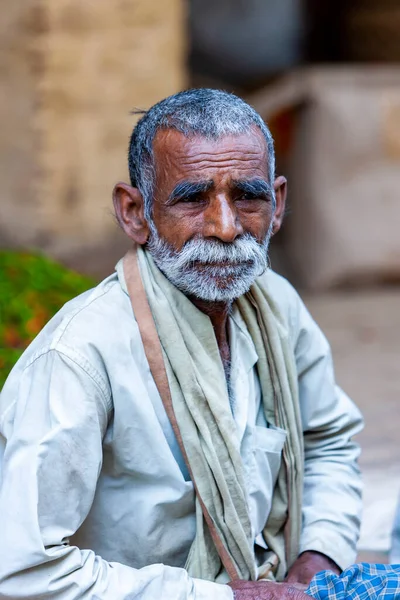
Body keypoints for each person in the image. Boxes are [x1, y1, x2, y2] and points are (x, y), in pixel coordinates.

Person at [0, 89, 363, 600]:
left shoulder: (276, 306)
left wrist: (317, 557)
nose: (225, 227)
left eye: (248, 196)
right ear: (134, 213)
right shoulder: (80, 356)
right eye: (192, 199)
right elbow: (22, 571)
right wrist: (226, 598)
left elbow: (327, 440)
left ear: (277, 205)